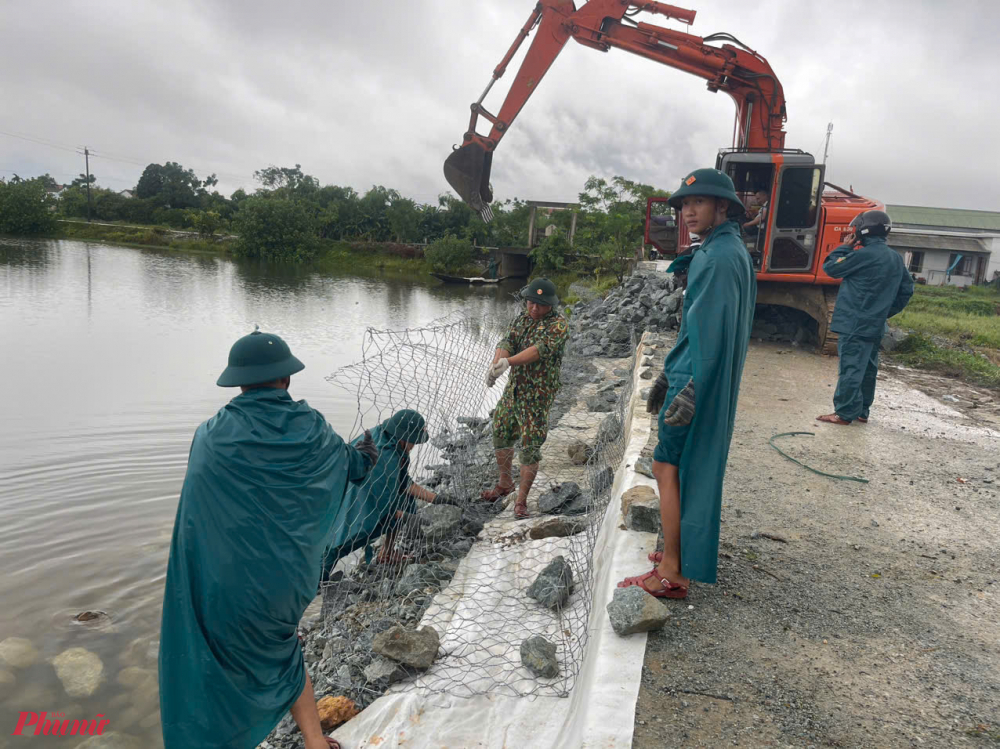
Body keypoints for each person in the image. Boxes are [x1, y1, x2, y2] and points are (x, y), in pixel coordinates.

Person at [159, 329, 377, 749]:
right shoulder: (312, 429)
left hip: (221, 585)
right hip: (285, 584)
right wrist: (366, 454)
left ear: (238, 382)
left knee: (212, 666)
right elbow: (350, 467)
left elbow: (197, 515)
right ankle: (315, 743)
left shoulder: (211, 435)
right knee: (282, 651)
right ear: (287, 379)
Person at [621, 168, 756, 599]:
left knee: (666, 466)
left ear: (723, 206)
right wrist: (668, 372)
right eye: (683, 205)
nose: (687, 211)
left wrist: (692, 386)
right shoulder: (725, 250)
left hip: (695, 379)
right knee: (679, 468)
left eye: (698, 203)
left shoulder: (716, 258)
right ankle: (673, 554)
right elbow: (696, 329)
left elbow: (711, 335)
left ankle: (672, 572)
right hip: (689, 373)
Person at [481, 278, 570, 519]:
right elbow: (507, 340)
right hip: (514, 392)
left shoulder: (558, 326)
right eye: (531, 303)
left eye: (540, 305)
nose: (534, 308)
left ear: (550, 305)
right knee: (501, 430)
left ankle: (521, 500)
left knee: (530, 447)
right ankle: (504, 483)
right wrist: (496, 363)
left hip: (536, 397)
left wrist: (508, 362)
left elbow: (538, 351)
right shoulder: (522, 319)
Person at [321, 409, 447, 577]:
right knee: (339, 541)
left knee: (405, 500)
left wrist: (438, 499)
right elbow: (376, 503)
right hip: (352, 497)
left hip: (362, 492)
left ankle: (386, 553)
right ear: (404, 437)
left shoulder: (393, 443)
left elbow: (403, 483)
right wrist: (405, 517)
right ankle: (314, 587)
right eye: (413, 442)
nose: (413, 446)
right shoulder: (384, 455)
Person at [817, 210, 913, 425]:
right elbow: (906, 290)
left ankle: (843, 413)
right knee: (868, 369)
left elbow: (831, 268)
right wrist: (884, 312)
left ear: (863, 230)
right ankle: (861, 411)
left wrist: (845, 247)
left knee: (851, 368)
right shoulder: (895, 258)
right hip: (875, 325)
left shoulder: (862, 255)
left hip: (854, 324)